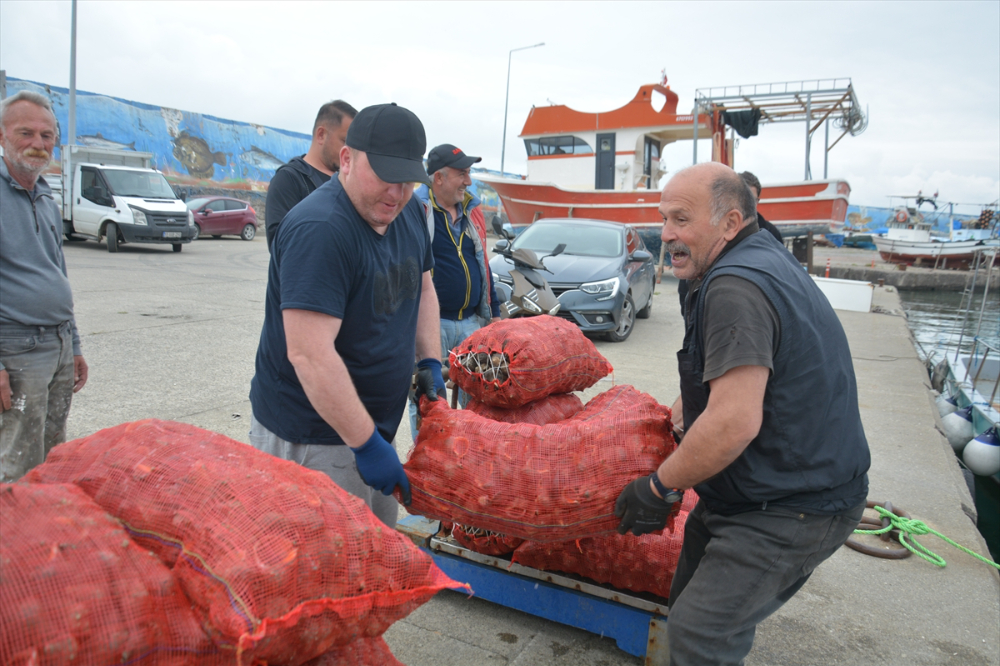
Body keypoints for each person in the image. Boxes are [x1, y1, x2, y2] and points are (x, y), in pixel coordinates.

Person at [615, 162, 870, 666]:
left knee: (700, 633)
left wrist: (659, 486)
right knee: (684, 604)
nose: (666, 235)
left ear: (730, 223)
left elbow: (734, 422)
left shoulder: (736, 286)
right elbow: (744, 369)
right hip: (749, 488)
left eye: (682, 220)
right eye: (664, 219)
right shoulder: (751, 253)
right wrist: (690, 403)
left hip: (795, 504)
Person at [249, 103, 444, 529]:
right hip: (314, 436)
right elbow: (309, 354)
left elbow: (424, 285)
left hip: (373, 431)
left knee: (372, 562)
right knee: (321, 570)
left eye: (408, 180)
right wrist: (365, 444)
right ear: (346, 159)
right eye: (386, 177)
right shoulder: (320, 229)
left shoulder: (407, 210)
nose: (397, 192)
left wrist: (429, 360)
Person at [0, 91, 89, 482]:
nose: (38, 144)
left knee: (52, 456)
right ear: (2, 135)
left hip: (55, 347)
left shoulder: (45, 197)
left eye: (47, 135)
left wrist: (73, 345)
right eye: (26, 133)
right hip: (17, 348)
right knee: (15, 461)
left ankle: (43, 536)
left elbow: (58, 271)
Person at [406, 145, 500, 436]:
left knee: (480, 399)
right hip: (432, 325)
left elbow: (483, 263)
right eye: (462, 174)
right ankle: (429, 464)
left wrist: (494, 313)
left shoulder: (472, 210)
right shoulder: (416, 210)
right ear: (438, 178)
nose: (468, 181)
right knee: (429, 399)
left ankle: (471, 460)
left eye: (469, 173)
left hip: (472, 324)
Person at [676, 170, 783, 313]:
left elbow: (777, 275)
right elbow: (690, 275)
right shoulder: (709, 231)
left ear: (757, 201)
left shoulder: (771, 235)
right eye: (743, 198)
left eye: (752, 199)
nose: (746, 204)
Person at [264, 100, 357, 250]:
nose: (350, 151)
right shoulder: (289, 180)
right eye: (345, 141)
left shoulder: (349, 180)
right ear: (321, 135)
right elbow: (280, 246)